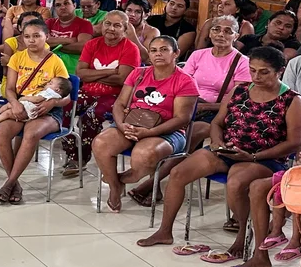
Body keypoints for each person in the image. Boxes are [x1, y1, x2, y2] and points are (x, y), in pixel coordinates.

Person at [136, 47, 301, 258]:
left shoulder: (292, 100)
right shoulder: (240, 91)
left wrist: (252, 156)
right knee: (178, 173)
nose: (256, 76)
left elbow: (294, 142)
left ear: (280, 71)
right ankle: (164, 231)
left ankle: (242, 234)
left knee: (235, 182)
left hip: (263, 157)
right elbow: (217, 123)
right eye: (252, 70)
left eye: (264, 72)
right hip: (227, 150)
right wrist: (216, 142)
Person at [122, 15, 252, 204]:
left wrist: (203, 106)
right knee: (164, 125)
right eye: (216, 29)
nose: (220, 34)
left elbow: (235, 100)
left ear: (236, 35)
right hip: (186, 104)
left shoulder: (241, 62)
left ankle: (151, 184)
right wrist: (189, 104)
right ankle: (153, 178)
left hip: (218, 113)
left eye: (227, 31)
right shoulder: (198, 54)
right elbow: (180, 82)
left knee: (193, 132)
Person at [91, 36, 199, 212]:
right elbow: (119, 104)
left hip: (167, 131)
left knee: (144, 154)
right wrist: (120, 125)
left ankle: (121, 179)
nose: (158, 54)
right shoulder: (138, 73)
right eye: (154, 50)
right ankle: (115, 187)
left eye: (164, 50)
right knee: (101, 143)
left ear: (176, 53)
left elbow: (182, 119)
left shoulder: (185, 81)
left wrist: (149, 132)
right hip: (132, 123)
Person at [0, 19, 71, 203]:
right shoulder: (18, 57)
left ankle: (9, 184)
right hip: (22, 104)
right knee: (1, 132)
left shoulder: (56, 61)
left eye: (36, 36)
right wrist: (15, 103)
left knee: (31, 132)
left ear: (46, 37)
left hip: (48, 110)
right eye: (27, 36)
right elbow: (10, 88)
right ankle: (14, 183)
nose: (31, 40)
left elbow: (66, 97)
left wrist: (52, 104)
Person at [61, 11, 140, 176]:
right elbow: (81, 73)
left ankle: (81, 158)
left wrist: (94, 75)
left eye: (117, 25)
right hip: (87, 91)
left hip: (116, 96)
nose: (111, 28)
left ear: (125, 29)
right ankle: (71, 153)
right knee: (65, 105)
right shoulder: (92, 44)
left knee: (91, 115)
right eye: (108, 23)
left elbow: (123, 80)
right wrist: (111, 71)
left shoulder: (130, 48)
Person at [0, 76, 72, 127]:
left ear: (57, 89)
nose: (47, 83)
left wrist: (24, 98)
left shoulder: (50, 93)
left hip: (29, 111)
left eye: (50, 83)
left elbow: (37, 99)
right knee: (9, 106)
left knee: (8, 113)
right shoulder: (55, 94)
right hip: (28, 108)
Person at [45, 0, 95, 74]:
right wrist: (69, 40)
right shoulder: (50, 22)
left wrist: (54, 45)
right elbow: (42, 42)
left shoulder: (84, 24)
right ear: (54, 9)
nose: (62, 7)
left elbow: (82, 47)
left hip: (72, 68)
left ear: (74, 5)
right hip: (48, 66)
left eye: (66, 3)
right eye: (58, 5)